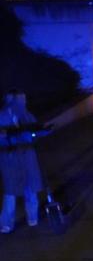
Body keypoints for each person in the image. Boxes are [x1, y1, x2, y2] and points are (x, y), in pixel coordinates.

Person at [0, 90, 44, 233]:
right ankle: (7, 222)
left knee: (30, 187)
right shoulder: (2, 116)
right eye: (21, 100)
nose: (23, 102)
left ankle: (32, 216)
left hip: (27, 156)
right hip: (10, 159)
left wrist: (39, 132)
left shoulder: (27, 115)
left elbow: (36, 132)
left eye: (24, 100)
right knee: (10, 191)